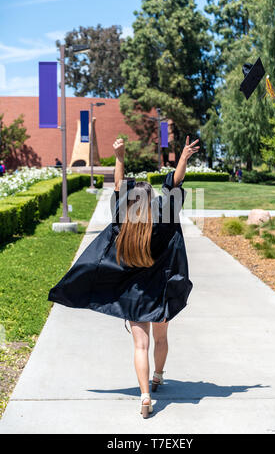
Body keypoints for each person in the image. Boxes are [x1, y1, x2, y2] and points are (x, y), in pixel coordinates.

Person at [48, 135, 199, 418]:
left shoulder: (122, 224)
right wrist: (182, 160)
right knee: (161, 340)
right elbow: (173, 186)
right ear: (151, 202)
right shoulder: (162, 222)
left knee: (140, 345)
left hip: (135, 296)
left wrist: (120, 158)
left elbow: (118, 188)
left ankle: (145, 397)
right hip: (161, 293)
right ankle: (158, 376)